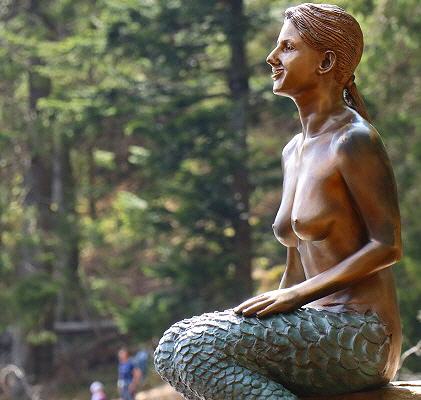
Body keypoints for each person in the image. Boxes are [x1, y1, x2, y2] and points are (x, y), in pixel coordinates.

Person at [154, 3, 402, 399]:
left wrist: (294, 297)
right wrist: (269, 312)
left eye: (287, 47)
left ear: (325, 62)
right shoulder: (293, 150)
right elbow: (295, 263)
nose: (272, 57)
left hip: (361, 333)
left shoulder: (354, 140)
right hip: (311, 324)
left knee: (196, 347)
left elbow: (387, 245)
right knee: (171, 346)